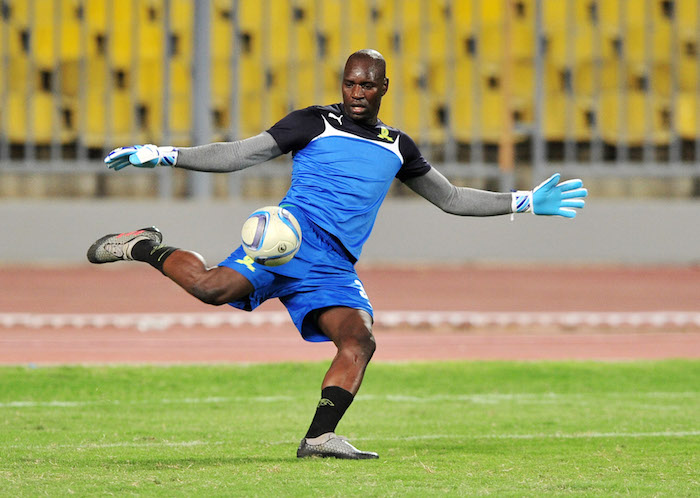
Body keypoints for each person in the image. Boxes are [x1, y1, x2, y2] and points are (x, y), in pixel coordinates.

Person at [88, 49, 587, 460]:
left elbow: (451, 198)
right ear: (342, 83)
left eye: (367, 85)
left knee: (359, 340)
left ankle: (318, 438)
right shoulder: (312, 122)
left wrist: (521, 202)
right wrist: (167, 153)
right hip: (286, 242)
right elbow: (242, 153)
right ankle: (145, 245)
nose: (357, 93)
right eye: (350, 83)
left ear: (384, 88)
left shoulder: (398, 147)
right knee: (211, 289)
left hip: (333, 266)